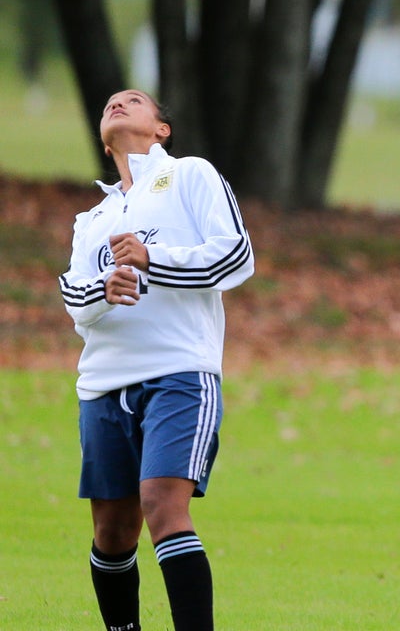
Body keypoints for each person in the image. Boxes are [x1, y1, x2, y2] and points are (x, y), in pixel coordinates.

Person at [59, 89, 255, 631]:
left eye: (134, 100)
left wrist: (153, 261)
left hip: (179, 372)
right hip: (101, 385)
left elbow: (236, 256)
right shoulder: (91, 219)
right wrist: (106, 288)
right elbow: (77, 305)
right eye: (109, 104)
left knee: (162, 506)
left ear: (162, 129)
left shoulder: (190, 175)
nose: (117, 104)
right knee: (112, 534)